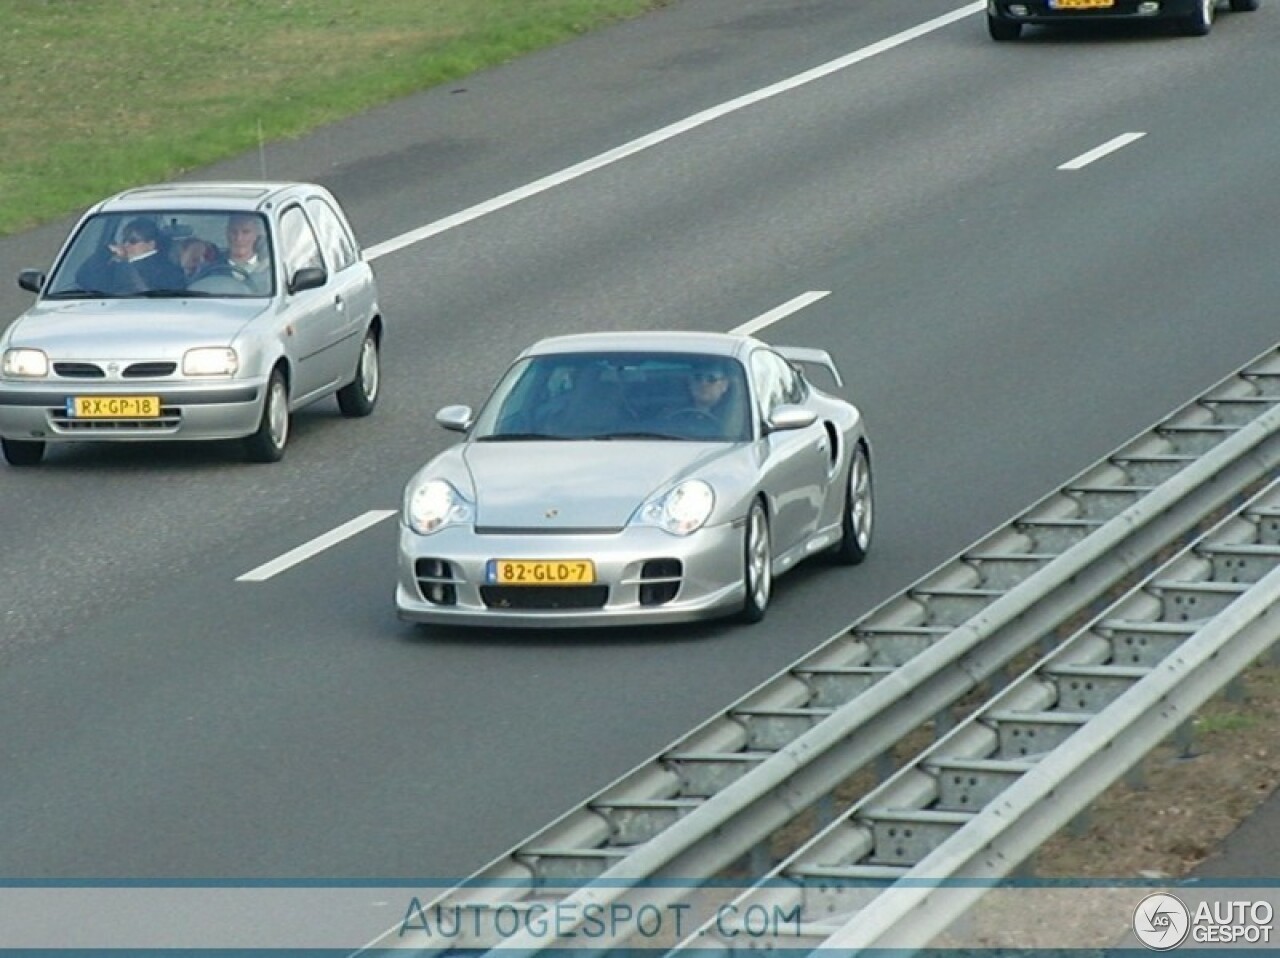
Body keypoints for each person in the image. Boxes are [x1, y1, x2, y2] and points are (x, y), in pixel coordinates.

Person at [75, 217, 186, 294]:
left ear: (151, 245)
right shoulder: (116, 263)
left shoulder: (165, 269)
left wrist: (121, 261)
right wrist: (106, 252)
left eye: (133, 241)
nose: (126, 244)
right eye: (125, 240)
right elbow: (84, 279)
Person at [221, 213, 272, 291]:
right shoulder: (211, 269)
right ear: (227, 233)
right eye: (234, 232)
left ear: (256, 235)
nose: (239, 238)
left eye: (246, 232)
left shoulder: (271, 270)